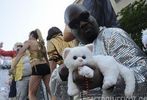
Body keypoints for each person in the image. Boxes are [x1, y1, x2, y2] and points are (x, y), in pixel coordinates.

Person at [64, 4, 147, 98]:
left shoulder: (113, 35)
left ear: (92, 16)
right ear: (72, 31)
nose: (82, 24)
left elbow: (143, 73)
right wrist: (62, 77)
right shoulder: (74, 53)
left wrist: (103, 78)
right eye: (74, 24)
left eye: (84, 16)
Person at [9, 29, 51, 100]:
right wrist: (50, 69)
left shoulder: (29, 42)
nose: (28, 37)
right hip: (46, 67)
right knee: (51, 91)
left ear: (31, 35)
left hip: (37, 67)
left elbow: (19, 54)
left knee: (31, 94)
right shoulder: (41, 44)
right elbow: (46, 58)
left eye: (29, 35)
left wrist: (12, 67)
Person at [46, 27, 77, 100]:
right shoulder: (69, 37)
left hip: (65, 68)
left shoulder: (51, 41)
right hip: (78, 64)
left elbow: (53, 60)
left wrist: (52, 77)